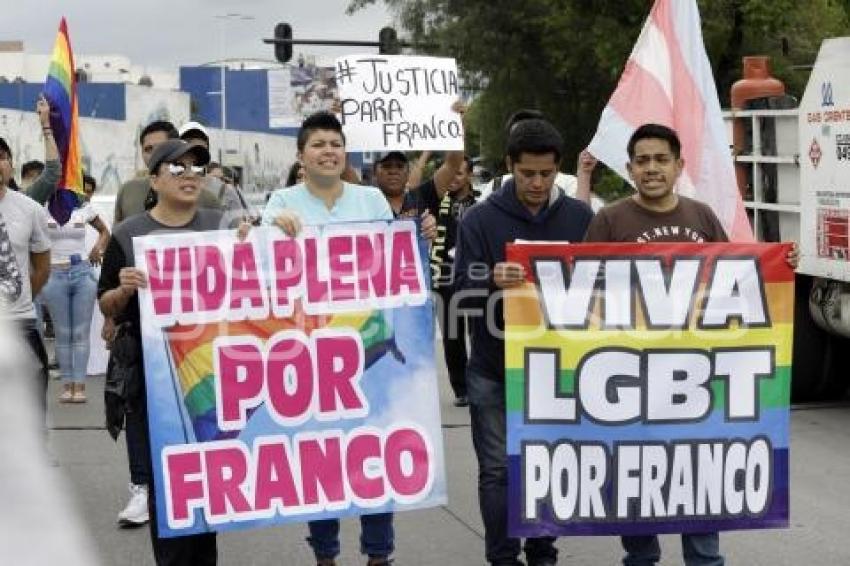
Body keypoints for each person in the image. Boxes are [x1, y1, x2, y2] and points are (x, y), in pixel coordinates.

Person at [583, 123, 798, 566]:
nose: (652, 168)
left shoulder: (701, 217)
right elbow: (579, 291)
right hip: (631, 383)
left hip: (697, 384)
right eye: (642, 160)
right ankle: (640, 557)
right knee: (636, 486)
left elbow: (737, 280)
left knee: (700, 477)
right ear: (629, 168)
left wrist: (779, 264)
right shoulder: (609, 221)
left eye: (661, 159)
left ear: (679, 165)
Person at [262, 111, 434, 566]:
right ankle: (325, 554)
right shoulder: (280, 202)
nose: (329, 151)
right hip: (312, 352)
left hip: (369, 349)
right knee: (322, 456)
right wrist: (267, 233)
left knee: (373, 450)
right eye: (318, 144)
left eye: (335, 143)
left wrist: (416, 238)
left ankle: (380, 553)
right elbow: (258, 272)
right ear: (301, 156)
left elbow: (395, 267)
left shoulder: (372, 200)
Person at [453, 118, 594, 566]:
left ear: (559, 170)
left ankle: (542, 550)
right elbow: (457, 289)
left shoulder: (579, 217)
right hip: (494, 367)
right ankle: (501, 557)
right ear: (510, 165)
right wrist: (490, 277)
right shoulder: (479, 219)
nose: (536, 182)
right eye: (527, 172)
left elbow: (609, 283)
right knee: (497, 471)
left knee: (548, 463)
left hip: (556, 370)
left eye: (546, 173)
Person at [98, 138, 219, 565]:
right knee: (168, 484)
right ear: (154, 179)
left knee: (209, 481)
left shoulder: (221, 224)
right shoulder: (129, 234)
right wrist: (122, 289)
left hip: (214, 377)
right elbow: (106, 305)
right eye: (178, 168)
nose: (190, 176)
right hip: (155, 382)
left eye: (197, 169)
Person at [404, 154, 479, 406]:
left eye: (460, 173)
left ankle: (482, 381)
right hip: (444, 275)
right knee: (452, 334)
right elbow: (411, 190)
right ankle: (462, 389)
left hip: (476, 274)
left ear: (468, 174)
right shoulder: (436, 199)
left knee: (480, 331)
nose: (455, 179)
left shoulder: (481, 200)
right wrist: (425, 155)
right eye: (452, 173)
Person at [38, 175, 110, 403]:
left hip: (81, 273)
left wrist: (98, 249)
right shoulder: (41, 206)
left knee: (80, 332)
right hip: (54, 275)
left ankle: (79, 386)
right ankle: (67, 385)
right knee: (63, 333)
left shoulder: (81, 205)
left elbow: (105, 231)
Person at [0, 133, 52, 421]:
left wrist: (20, 298)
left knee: (30, 407)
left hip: (20, 323)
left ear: (10, 164)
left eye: (2, 156)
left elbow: (42, 267)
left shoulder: (29, 209)